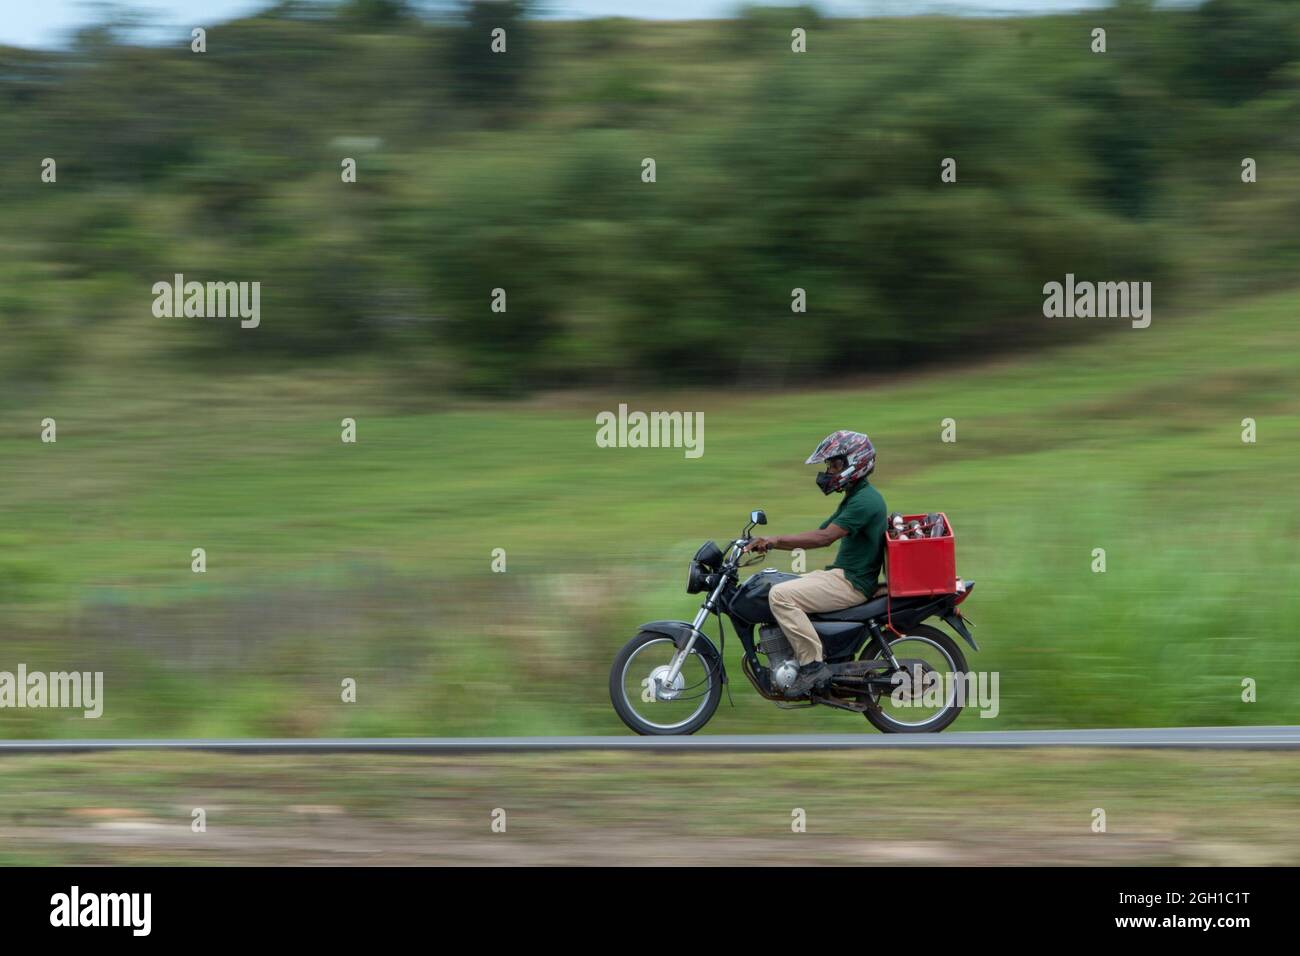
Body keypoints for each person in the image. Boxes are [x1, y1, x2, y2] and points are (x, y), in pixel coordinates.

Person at [745, 430, 887, 697]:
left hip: (851, 583)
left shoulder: (865, 501)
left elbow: (824, 538)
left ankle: (812, 666)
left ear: (854, 463)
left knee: (780, 596)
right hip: (842, 575)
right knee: (779, 582)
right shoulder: (856, 496)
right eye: (829, 465)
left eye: (834, 465)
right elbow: (818, 533)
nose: (829, 471)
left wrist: (774, 540)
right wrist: (769, 541)